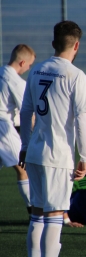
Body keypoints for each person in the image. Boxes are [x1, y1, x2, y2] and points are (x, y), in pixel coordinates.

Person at [19, 20, 86, 257]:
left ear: (53, 43)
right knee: (54, 216)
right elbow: (81, 119)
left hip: (35, 153)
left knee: (37, 215)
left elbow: (26, 111)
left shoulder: (36, 69)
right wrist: (85, 156)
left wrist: (25, 145)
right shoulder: (76, 75)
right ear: (77, 45)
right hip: (58, 156)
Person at [0, 44, 35, 216]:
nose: (29, 68)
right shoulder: (16, 81)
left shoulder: (1, 71)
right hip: (3, 126)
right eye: (29, 65)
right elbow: (27, 112)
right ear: (22, 62)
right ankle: (33, 212)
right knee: (23, 168)